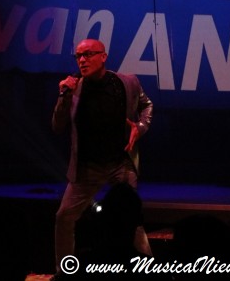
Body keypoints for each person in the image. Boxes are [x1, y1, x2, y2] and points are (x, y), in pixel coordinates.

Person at [51, 38, 154, 279]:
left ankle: (149, 270)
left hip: (120, 162)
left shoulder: (126, 82)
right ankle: (63, 273)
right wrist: (64, 97)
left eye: (88, 54)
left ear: (103, 57)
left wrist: (140, 127)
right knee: (64, 217)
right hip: (88, 167)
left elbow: (147, 105)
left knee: (131, 219)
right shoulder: (74, 88)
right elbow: (57, 126)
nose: (82, 60)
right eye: (78, 56)